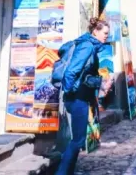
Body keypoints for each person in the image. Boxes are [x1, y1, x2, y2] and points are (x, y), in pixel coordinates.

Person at [56, 19, 109, 175]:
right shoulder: (87, 46)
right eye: (105, 33)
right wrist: (70, 92)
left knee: (77, 140)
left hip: (80, 97)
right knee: (77, 140)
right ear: (95, 31)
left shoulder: (89, 45)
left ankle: (68, 171)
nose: (107, 36)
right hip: (77, 98)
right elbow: (72, 72)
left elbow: (85, 75)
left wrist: (99, 81)